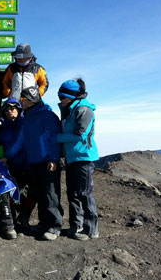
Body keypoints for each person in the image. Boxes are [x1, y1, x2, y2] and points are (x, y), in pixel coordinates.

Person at [10, 87, 63, 241]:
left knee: (50, 194)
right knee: (39, 193)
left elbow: (55, 138)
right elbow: (20, 140)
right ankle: (43, 224)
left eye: (23, 99)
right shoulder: (28, 117)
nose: (21, 102)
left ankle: (54, 227)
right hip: (33, 162)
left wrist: (54, 159)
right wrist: (7, 156)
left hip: (47, 161)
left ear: (31, 100)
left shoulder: (47, 115)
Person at [57, 79, 99, 241]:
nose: (61, 100)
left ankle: (91, 229)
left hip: (83, 157)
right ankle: (77, 226)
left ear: (71, 96)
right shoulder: (71, 108)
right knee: (73, 193)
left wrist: (57, 138)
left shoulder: (84, 110)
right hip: (72, 157)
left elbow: (80, 134)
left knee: (84, 193)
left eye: (62, 97)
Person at [0, 99, 31, 229]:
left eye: (12, 109)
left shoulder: (25, 125)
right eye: (6, 110)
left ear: (19, 110)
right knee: (5, 189)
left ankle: (24, 217)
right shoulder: (3, 129)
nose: (9, 112)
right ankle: (10, 219)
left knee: (33, 191)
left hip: (25, 165)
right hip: (10, 167)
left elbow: (20, 144)